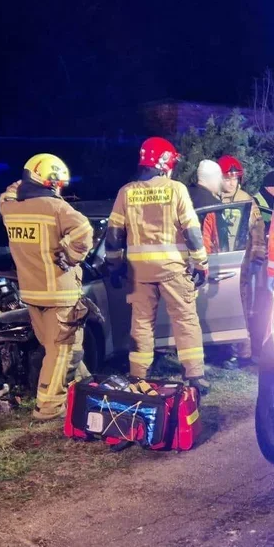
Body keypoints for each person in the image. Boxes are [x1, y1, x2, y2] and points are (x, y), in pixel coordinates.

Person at [104, 137, 211, 395]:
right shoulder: (176, 189)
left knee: (141, 323)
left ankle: (137, 375)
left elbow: (114, 234)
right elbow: (192, 231)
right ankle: (194, 376)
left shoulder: (126, 192)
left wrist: (115, 266)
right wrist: (201, 263)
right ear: (165, 163)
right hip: (173, 267)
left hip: (139, 271)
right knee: (185, 320)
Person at [0, 153, 95, 420]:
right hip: (60, 294)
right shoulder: (57, 209)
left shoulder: (10, 208)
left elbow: (8, 193)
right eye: (58, 184)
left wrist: (23, 183)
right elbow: (84, 233)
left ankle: (83, 391)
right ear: (51, 181)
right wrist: (70, 257)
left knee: (63, 350)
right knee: (61, 351)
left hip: (32, 294)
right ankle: (49, 407)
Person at [217, 156, 268, 364]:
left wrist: (257, 256)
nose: (231, 183)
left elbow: (257, 230)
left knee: (241, 309)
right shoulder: (213, 199)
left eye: (235, 179)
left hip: (240, 264)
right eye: (227, 179)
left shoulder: (247, 201)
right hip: (216, 262)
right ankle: (220, 350)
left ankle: (242, 353)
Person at [191, 159, 224, 254]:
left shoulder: (184, 194)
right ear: (213, 178)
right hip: (203, 254)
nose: (221, 181)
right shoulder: (214, 205)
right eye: (219, 177)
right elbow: (218, 238)